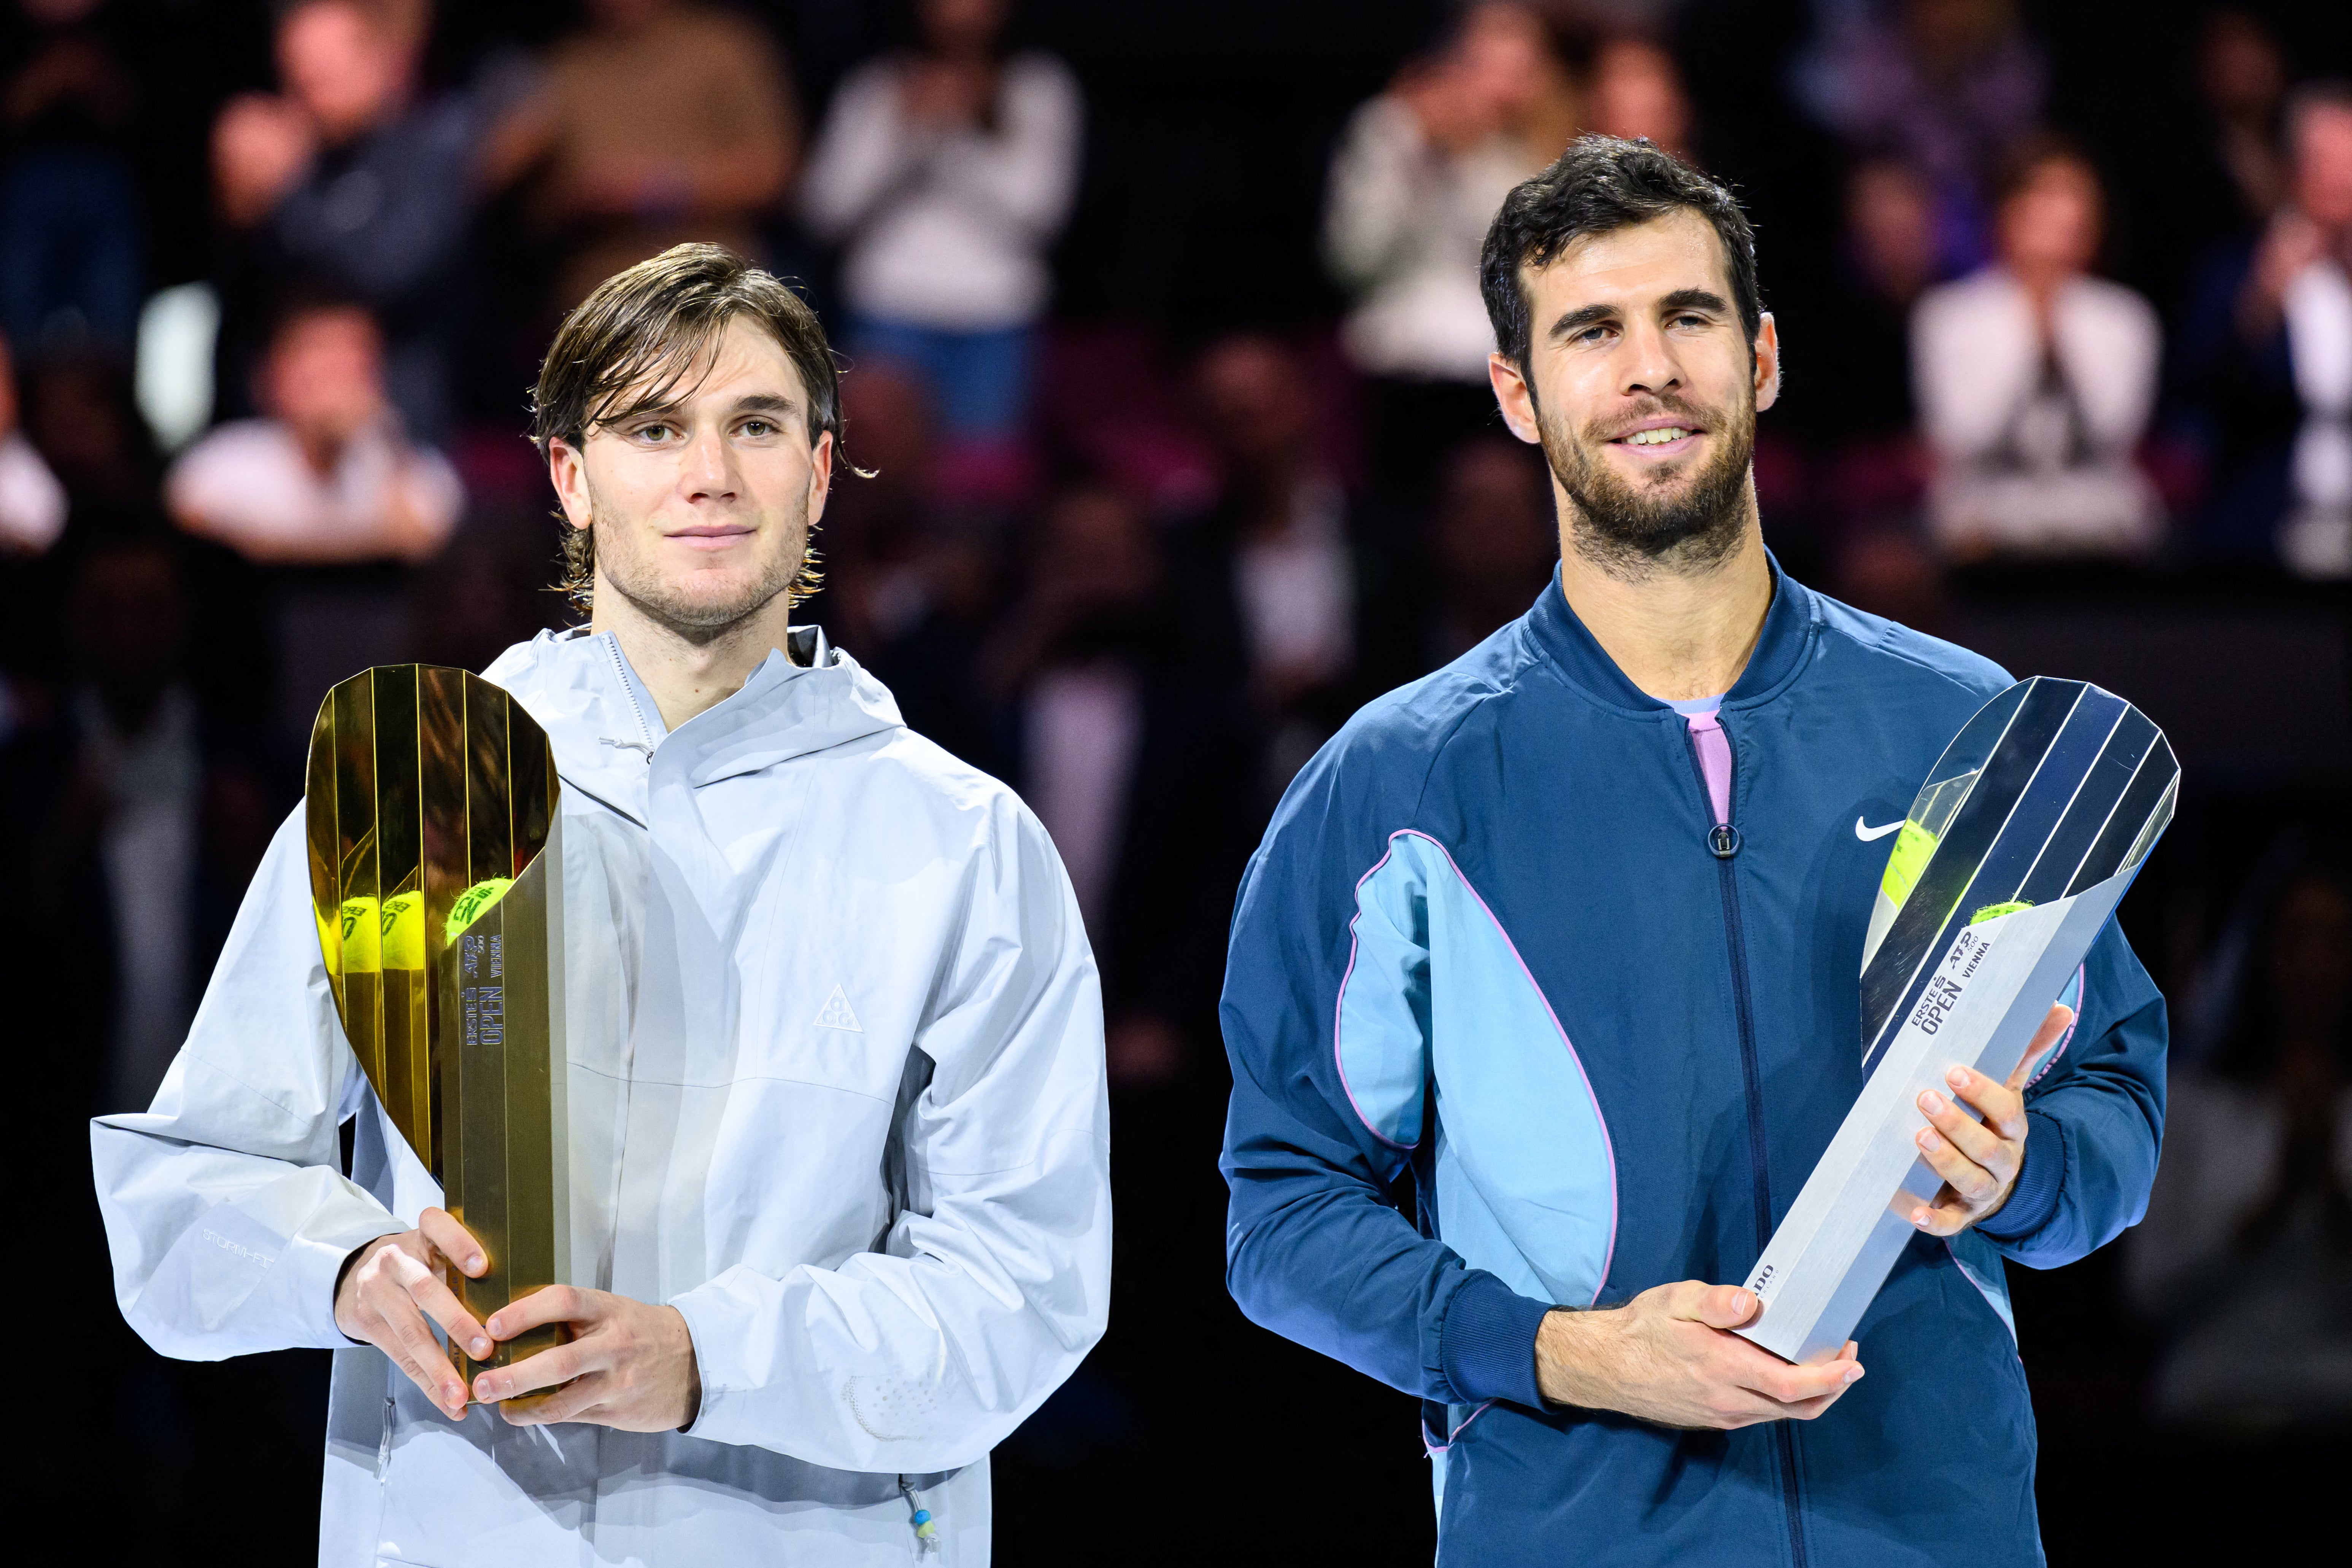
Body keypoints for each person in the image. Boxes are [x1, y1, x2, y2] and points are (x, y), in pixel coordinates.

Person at [1219, 137, 2166, 1562]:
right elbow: (1282, 1215)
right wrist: (1562, 1350)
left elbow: (2116, 1096)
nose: (1649, 366)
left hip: (1931, 1523)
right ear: (1517, 396)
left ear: (1764, 356)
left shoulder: (1965, 726)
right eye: (1592, 331)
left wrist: (2025, 1166)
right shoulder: (1395, 784)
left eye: (1689, 316)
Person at [92, 243, 1111, 1566]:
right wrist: (349, 1270)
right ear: (570, 477)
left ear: (817, 472)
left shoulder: (962, 844)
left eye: (755, 424)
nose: (708, 473)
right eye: (651, 427)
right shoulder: (420, 792)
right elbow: (187, 1196)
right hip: (463, 1525)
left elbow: (1025, 1288)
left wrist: (702, 1358)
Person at [800, 0, 1080, 445]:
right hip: (890, 304)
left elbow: (1041, 216)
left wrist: (962, 130)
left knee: (978, 479)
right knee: (876, 468)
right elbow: (827, 212)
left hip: (997, 312)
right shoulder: (879, 85)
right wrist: (909, 134)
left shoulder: (1036, 88)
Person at [209, 0, 482, 440]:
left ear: (381, 63)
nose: (312, 86)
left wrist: (287, 192)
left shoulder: (431, 152)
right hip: (281, 436)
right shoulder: (296, 158)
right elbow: (248, 308)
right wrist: (236, 210)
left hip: (399, 431)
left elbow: (386, 272)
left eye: (329, 68)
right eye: (299, 74)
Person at [1912, 137, 2163, 559]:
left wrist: (2058, 334)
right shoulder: (1948, 316)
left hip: (2096, 519)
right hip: (1986, 516)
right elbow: (1961, 438)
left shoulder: (2124, 317)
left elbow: (2112, 434)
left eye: (2073, 199)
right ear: (2006, 213)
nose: (2057, 215)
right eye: (2042, 196)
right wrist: (2031, 334)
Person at [484, 0, 801, 308]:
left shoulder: (726, 48)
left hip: (710, 291)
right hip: (597, 301)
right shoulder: (559, 69)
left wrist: (657, 190)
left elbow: (775, 172)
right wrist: (577, 197)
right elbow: (517, 206)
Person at [2180, 81, 2352, 578]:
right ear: (2292, 167)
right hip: (2262, 546)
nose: (2339, 177)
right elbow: (2196, 397)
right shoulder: (2235, 274)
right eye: (2324, 158)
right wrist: (2260, 308)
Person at [165, 298, 460, 565]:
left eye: (352, 360)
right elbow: (202, 548)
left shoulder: (413, 469)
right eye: (319, 357)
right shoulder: (218, 464)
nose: (336, 382)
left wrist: (388, 445)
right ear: (273, 376)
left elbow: (420, 547)